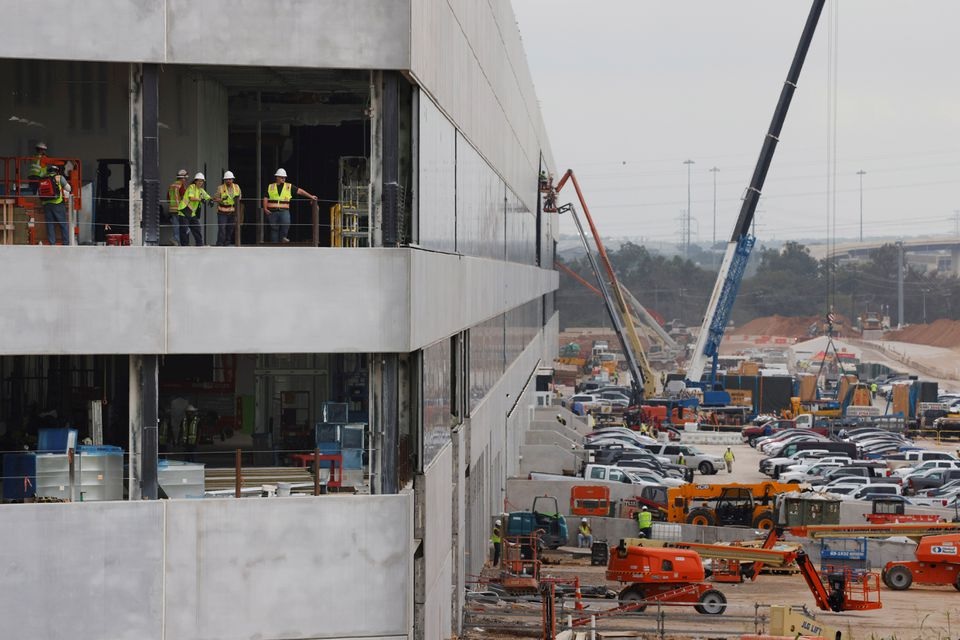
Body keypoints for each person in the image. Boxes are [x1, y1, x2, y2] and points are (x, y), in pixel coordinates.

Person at [262, 168, 317, 243]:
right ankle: (274, 246)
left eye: (284, 177)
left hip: (284, 211)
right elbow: (265, 198)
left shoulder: (289, 186)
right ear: (277, 177)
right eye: (282, 177)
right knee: (274, 229)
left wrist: (310, 196)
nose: (283, 179)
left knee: (285, 225)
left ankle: (283, 240)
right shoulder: (270, 187)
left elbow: (300, 191)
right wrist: (265, 208)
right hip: (272, 212)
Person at [39, 164, 71, 245]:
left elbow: (38, 193)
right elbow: (68, 188)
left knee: (50, 225)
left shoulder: (43, 179)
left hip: (46, 204)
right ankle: (66, 243)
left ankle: (52, 244)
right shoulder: (59, 177)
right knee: (63, 224)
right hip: (58, 204)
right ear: (56, 171)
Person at [181, 173, 212, 246]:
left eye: (202, 181)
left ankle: (199, 244)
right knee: (185, 230)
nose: (200, 182)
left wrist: (211, 200)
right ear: (195, 181)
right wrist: (200, 199)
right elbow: (191, 198)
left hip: (191, 212)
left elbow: (207, 196)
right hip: (184, 211)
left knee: (197, 229)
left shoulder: (201, 190)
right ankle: (185, 246)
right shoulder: (191, 187)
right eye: (199, 181)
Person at [214, 171, 242, 246]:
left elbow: (239, 197)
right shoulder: (220, 188)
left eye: (230, 179)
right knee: (222, 229)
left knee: (230, 229)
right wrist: (221, 199)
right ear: (224, 180)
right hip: (222, 212)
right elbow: (215, 198)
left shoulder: (237, 187)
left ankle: (227, 243)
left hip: (232, 212)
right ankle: (220, 244)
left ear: (232, 179)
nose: (228, 181)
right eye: (227, 179)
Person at [167, 169, 189, 245]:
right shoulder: (181, 186)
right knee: (186, 227)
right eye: (185, 178)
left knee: (176, 226)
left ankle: (176, 239)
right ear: (182, 178)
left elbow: (168, 198)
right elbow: (184, 197)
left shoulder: (171, 186)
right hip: (180, 209)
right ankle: (176, 239)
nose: (185, 180)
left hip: (172, 209)